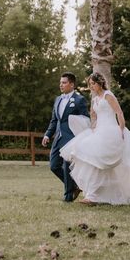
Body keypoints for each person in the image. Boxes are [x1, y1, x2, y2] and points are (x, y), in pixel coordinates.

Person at [60, 72, 130, 205]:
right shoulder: (95, 99)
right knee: (91, 159)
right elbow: (95, 117)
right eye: (89, 84)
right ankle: (92, 195)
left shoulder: (108, 95)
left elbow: (119, 112)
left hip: (112, 131)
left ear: (100, 83)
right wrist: (93, 127)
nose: (91, 86)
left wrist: (121, 130)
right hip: (99, 132)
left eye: (93, 84)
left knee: (124, 164)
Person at [42, 72, 90, 202]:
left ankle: (68, 197)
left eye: (64, 82)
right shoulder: (58, 99)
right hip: (58, 137)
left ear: (72, 84)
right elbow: (54, 120)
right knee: (54, 165)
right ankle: (75, 186)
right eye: (60, 82)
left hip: (71, 138)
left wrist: (83, 138)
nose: (61, 85)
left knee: (67, 165)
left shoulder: (79, 100)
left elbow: (85, 119)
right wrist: (47, 134)